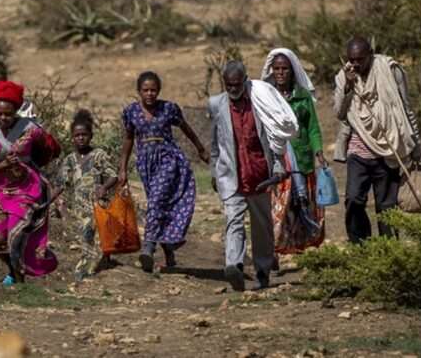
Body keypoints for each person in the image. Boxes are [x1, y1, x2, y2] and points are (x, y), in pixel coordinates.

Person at [209, 60, 299, 291]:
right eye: (228, 85)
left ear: (245, 79)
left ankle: (262, 271)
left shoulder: (260, 101)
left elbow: (275, 137)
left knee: (262, 227)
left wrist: (278, 165)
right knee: (233, 220)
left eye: (237, 84)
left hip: (259, 174)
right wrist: (214, 171)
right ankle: (235, 267)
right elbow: (215, 144)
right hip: (231, 175)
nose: (233, 89)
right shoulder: (216, 104)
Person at [119, 72, 209, 273]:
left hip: (169, 159)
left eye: (153, 90)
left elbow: (186, 128)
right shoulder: (131, 112)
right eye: (145, 90)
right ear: (138, 91)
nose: (149, 94)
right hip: (145, 163)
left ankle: (149, 246)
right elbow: (128, 140)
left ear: (158, 91)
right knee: (160, 206)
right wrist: (123, 169)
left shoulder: (168, 109)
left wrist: (201, 149)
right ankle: (169, 253)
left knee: (156, 201)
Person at [333, 37, 421, 242]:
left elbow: (405, 107)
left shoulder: (389, 70)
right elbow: (339, 112)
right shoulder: (343, 76)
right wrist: (347, 86)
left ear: (370, 54)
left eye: (360, 60)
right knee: (354, 199)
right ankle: (360, 246)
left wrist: (416, 145)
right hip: (358, 150)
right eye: (351, 60)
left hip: (388, 149)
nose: (355, 64)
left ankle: (388, 250)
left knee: (387, 205)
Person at [0, 80, 61, 285]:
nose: (3, 118)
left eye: (8, 113)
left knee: (16, 236)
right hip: (0, 191)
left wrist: (34, 161)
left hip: (27, 189)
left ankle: (20, 286)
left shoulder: (30, 129)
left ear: (16, 111)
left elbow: (53, 148)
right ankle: (14, 271)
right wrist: (2, 164)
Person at [261, 48, 325, 256]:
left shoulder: (302, 96)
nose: (280, 73)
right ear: (271, 70)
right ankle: (272, 250)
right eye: (277, 68)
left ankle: (299, 247)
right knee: (277, 208)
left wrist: (319, 152)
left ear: (292, 71)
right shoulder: (266, 96)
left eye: (284, 69)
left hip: (301, 158)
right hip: (277, 159)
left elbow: (312, 128)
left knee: (300, 206)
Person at [53, 109, 120, 282]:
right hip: (80, 208)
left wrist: (105, 187)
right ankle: (94, 267)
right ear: (72, 137)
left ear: (91, 136)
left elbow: (114, 175)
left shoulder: (98, 155)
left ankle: (83, 273)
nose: (81, 138)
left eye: (84, 134)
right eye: (77, 135)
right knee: (85, 237)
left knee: (94, 236)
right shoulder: (69, 160)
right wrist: (47, 200)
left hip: (98, 204)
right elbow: (61, 184)